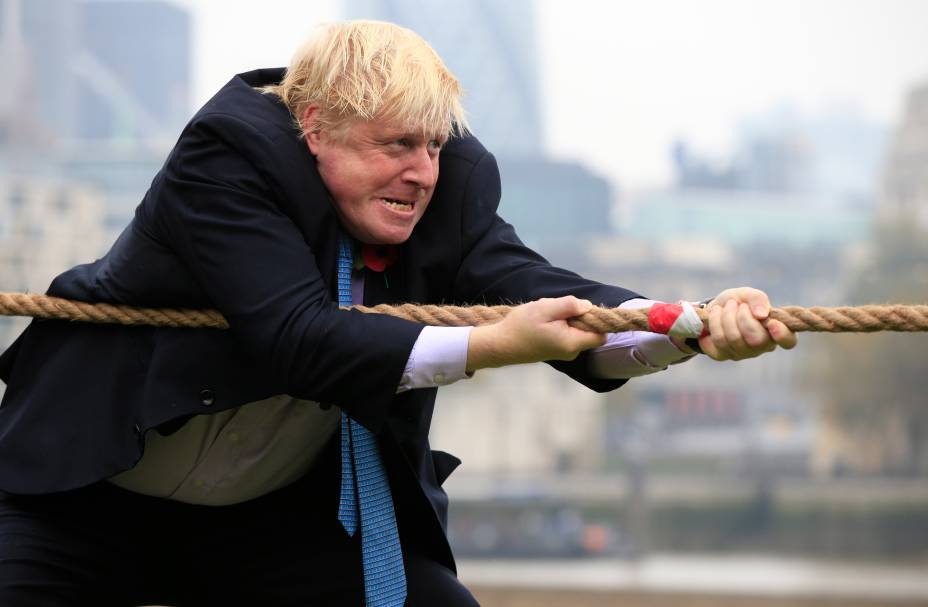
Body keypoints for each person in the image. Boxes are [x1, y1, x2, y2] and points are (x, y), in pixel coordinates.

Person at [0, 20, 796, 607]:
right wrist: (491, 343)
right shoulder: (228, 155)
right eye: (396, 146)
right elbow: (296, 337)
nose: (422, 173)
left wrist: (683, 326)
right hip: (84, 498)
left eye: (434, 146)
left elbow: (539, 289)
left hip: (270, 524)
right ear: (314, 128)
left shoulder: (448, 186)